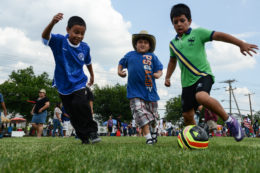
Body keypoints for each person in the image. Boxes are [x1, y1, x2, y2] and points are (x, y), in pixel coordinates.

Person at [164, 4, 258, 142]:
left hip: (203, 75)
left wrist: (240, 44)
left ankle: (230, 121)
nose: (179, 24)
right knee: (187, 116)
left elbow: (219, 35)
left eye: (182, 20)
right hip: (186, 83)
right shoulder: (173, 44)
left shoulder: (198, 33)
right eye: (175, 22)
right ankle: (196, 139)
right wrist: (167, 77)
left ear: (189, 21)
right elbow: (172, 61)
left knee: (201, 96)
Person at [42, 13, 100, 144]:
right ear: (68, 30)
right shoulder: (59, 41)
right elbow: (45, 37)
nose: (79, 36)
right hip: (63, 84)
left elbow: (88, 62)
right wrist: (52, 23)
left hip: (79, 82)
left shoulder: (85, 47)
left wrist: (92, 75)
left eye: (82, 33)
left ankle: (92, 131)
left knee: (80, 103)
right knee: (71, 112)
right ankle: (83, 137)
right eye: (76, 32)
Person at [118, 30, 163, 145]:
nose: (142, 44)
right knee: (139, 112)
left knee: (153, 117)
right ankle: (148, 138)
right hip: (134, 92)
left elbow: (159, 69)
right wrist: (120, 71)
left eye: (145, 42)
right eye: (140, 42)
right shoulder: (130, 55)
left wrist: (158, 74)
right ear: (136, 44)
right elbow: (121, 62)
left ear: (149, 45)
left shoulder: (152, 56)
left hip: (150, 92)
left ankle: (153, 132)